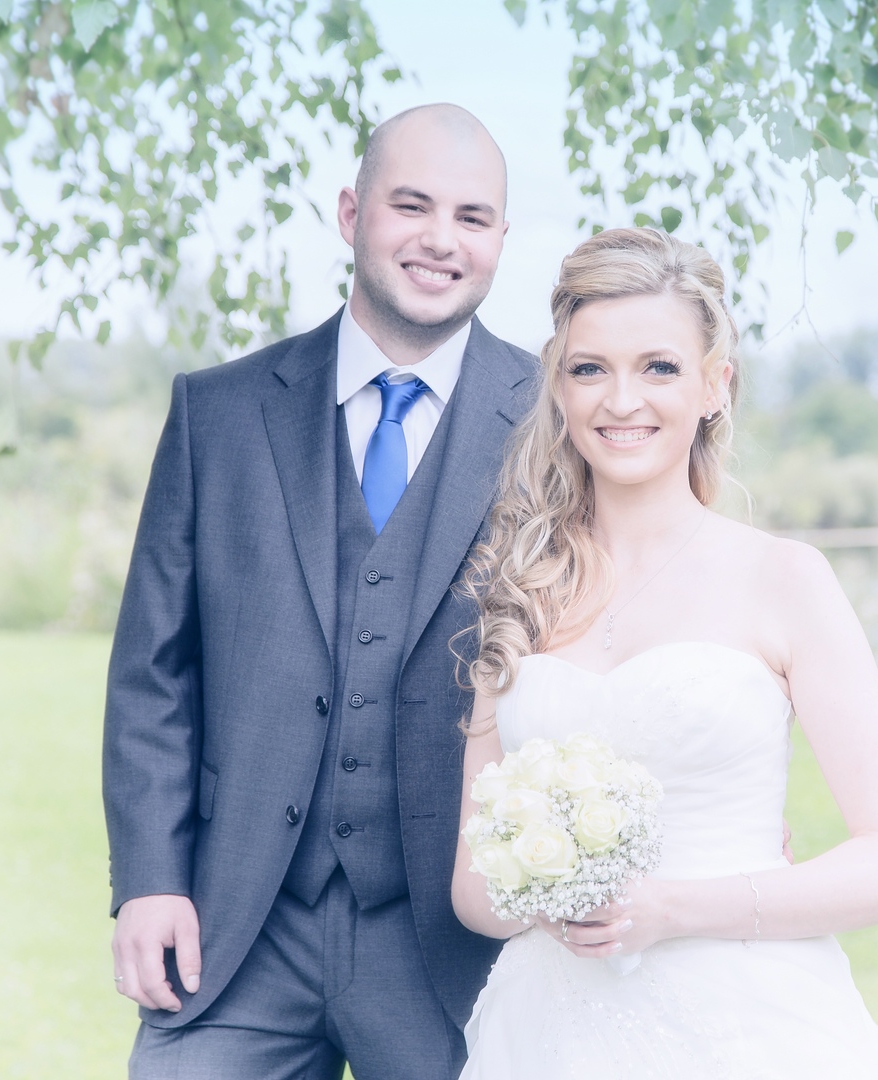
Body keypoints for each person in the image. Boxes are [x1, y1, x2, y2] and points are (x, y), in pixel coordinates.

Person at [103, 103, 538, 1079]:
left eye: (472, 217)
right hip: (236, 931)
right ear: (351, 213)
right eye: (411, 205)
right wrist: (150, 880)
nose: (441, 239)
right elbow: (153, 672)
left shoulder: (555, 421)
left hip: (454, 950)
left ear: (501, 238)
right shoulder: (217, 413)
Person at [452, 227, 878, 1078]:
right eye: (590, 369)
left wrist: (673, 909)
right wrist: (554, 882)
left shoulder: (785, 579)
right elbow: (473, 891)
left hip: (747, 1028)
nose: (621, 400)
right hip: (550, 1033)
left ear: (716, 385)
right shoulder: (519, 593)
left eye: (659, 368)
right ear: (560, 390)